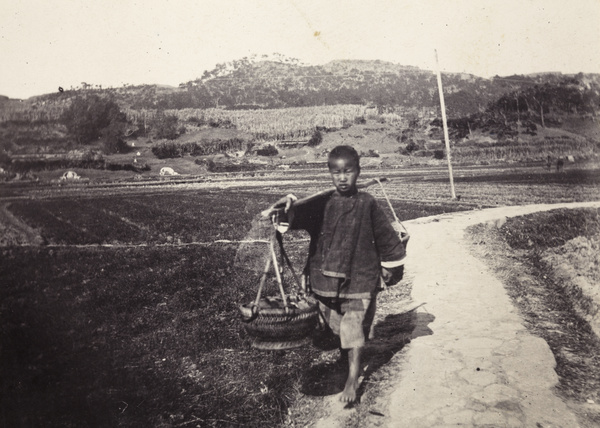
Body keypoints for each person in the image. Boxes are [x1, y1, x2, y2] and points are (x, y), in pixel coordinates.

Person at [269, 145, 406, 403]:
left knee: (353, 327)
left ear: (358, 171)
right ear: (330, 173)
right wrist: (288, 202)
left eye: (348, 171)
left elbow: (387, 238)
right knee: (335, 329)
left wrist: (390, 267)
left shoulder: (368, 204)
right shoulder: (322, 204)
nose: (342, 178)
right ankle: (346, 364)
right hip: (325, 282)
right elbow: (290, 218)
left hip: (359, 279)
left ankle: (353, 378)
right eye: (336, 172)